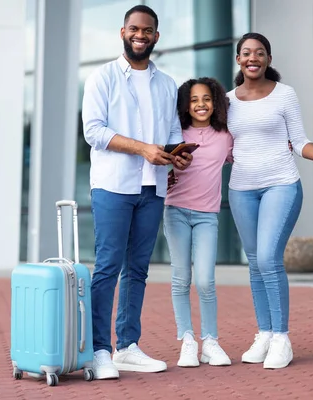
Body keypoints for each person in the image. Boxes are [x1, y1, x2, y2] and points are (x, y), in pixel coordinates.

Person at [81, 5, 192, 380]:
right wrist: (143, 148)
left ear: (156, 37)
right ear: (122, 32)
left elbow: (174, 133)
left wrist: (177, 156)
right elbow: (93, 131)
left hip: (153, 188)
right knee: (109, 266)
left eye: (147, 30)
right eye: (134, 29)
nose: (140, 35)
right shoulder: (102, 77)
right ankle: (98, 350)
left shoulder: (166, 84)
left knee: (138, 270)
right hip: (113, 185)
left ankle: (127, 346)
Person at [225, 32, 313, 370]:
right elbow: (218, 145)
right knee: (254, 261)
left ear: (268, 59)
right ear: (238, 60)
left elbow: (300, 142)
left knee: (268, 257)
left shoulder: (284, 95)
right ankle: (264, 333)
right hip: (241, 189)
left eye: (259, 52)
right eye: (246, 53)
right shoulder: (226, 100)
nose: (253, 58)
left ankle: (281, 338)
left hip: (281, 184)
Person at [163, 77, 233, 368]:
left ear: (215, 102)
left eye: (206, 98)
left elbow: (241, 157)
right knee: (181, 279)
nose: (200, 104)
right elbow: (160, 162)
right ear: (185, 105)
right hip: (175, 211)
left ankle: (211, 342)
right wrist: (169, 166)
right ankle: (188, 341)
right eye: (193, 100)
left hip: (207, 216)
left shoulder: (226, 136)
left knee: (205, 280)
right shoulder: (175, 131)